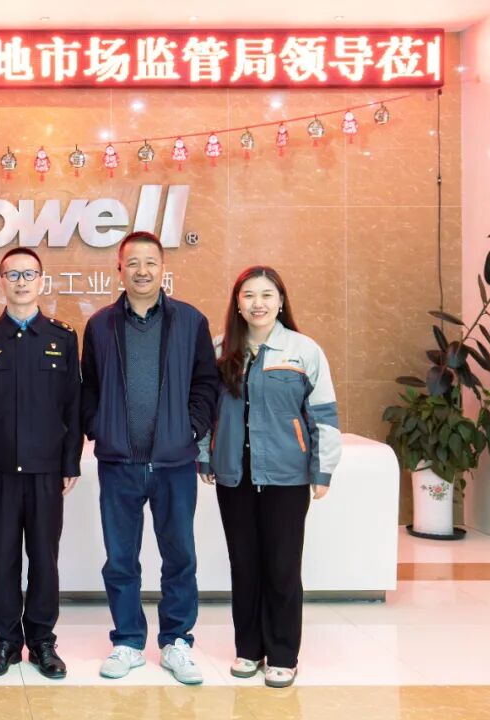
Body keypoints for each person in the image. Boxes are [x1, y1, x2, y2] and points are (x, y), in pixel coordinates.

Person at [80, 231, 218, 684]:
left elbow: (206, 383)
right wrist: (97, 427)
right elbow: (89, 387)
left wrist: (192, 428)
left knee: (179, 556)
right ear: (119, 269)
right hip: (118, 462)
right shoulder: (100, 325)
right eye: (133, 263)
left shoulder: (191, 321)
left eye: (151, 262)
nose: (142, 271)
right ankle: (128, 641)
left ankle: (177, 640)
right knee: (121, 559)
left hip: (174, 463)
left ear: (163, 269)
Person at [197, 266, 341, 688]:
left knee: (281, 566)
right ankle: (248, 648)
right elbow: (204, 409)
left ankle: (282, 653)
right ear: (237, 304)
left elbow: (323, 415)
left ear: (280, 302)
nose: (257, 303)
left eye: (266, 295)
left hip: (286, 476)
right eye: (248, 295)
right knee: (244, 565)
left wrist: (322, 469)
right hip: (234, 476)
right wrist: (205, 457)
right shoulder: (220, 349)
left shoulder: (303, 350)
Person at [0, 247, 82, 680]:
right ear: (1, 282)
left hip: (47, 469)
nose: (22, 282)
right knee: (3, 557)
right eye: (13, 274)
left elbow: (73, 406)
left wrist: (71, 462)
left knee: (45, 558)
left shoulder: (62, 337)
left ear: (42, 281)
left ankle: (43, 641)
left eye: (29, 274)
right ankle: (6, 642)